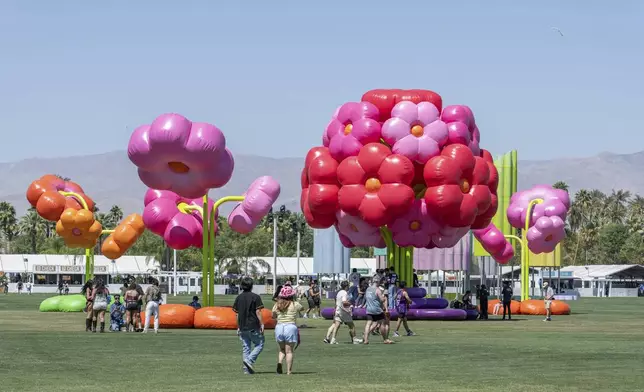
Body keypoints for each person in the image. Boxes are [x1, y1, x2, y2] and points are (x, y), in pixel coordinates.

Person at [233, 277, 265, 375]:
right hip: (253, 325)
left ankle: (246, 369)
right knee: (260, 344)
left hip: (242, 326)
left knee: (246, 347)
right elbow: (258, 311)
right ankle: (249, 361)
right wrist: (262, 323)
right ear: (252, 286)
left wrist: (238, 326)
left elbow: (237, 314)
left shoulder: (238, 297)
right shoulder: (256, 297)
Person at [271, 285, 302, 375]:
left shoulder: (277, 305)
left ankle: (280, 362)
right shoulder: (294, 304)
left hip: (279, 327)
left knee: (282, 349)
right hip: (290, 327)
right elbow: (302, 308)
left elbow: (273, 316)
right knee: (289, 351)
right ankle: (289, 371)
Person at [363, 278, 393, 344]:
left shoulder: (368, 289)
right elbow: (382, 300)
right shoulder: (377, 290)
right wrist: (384, 298)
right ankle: (385, 339)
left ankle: (366, 339)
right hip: (377, 309)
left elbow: (366, 298)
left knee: (368, 324)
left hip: (369, 309)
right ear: (377, 282)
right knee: (383, 323)